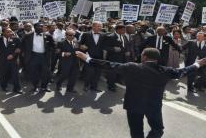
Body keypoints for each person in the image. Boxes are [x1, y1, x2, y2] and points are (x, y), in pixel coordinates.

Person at [76, 48, 206, 138]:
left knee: (136, 132)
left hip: (133, 105)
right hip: (153, 106)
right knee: (157, 130)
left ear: (144, 56)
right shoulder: (165, 70)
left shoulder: (132, 67)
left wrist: (88, 59)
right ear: (157, 59)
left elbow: (109, 65)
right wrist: (197, 64)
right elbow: (181, 72)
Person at [21, 22, 55, 92]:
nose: (41, 28)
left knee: (46, 72)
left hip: (44, 57)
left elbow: (53, 45)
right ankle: (35, 86)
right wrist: (24, 53)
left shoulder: (48, 36)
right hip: (33, 56)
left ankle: (44, 86)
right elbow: (22, 44)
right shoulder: (28, 35)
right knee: (34, 72)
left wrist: (51, 50)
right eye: (39, 26)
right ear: (35, 27)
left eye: (42, 26)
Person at [79, 21, 106, 92]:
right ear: (93, 26)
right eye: (99, 26)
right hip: (89, 57)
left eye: (101, 26)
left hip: (99, 57)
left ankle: (94, 87)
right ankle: (86, 86)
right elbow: (80, 44)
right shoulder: (86, 34)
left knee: (97, 73)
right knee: (89, 72)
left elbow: (105, 46)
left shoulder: (104, 35)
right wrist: (81, 46)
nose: (100, 27)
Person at [56, 28, 79, 93]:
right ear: (66, 35)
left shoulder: (76, 42)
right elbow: (57, 53)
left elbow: (77, 50)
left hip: (75, 61)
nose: (72, 37)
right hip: (66, 62)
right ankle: (58, 84)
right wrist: (64, 53)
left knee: (74, 75)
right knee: (64, 75)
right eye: (70, 35)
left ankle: (70, 88)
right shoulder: (61, 43)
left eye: (73, 35)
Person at [105, 24, 127, 91]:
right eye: (123, 30)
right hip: (113, 57)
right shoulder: (110, 37)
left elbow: (124, 46)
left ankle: (115, 82)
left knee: (118, 71)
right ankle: (111, 85)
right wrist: (113, 49)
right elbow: (106, 47)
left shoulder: (123, 36)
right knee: (112, 72)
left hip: (122, 57)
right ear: (118, 30)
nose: (125, 31)